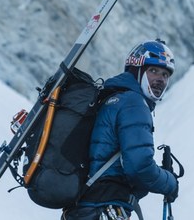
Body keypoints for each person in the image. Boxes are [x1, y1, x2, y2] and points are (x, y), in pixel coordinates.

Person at [61, 39, 179, 220]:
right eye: (153, 70)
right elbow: (139, 167)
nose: (160, 79)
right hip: (102, 208)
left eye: (165, 74)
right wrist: (170, 182)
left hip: (84, 209)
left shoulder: (113, 98)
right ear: (137, 70)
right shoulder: (133, 103)